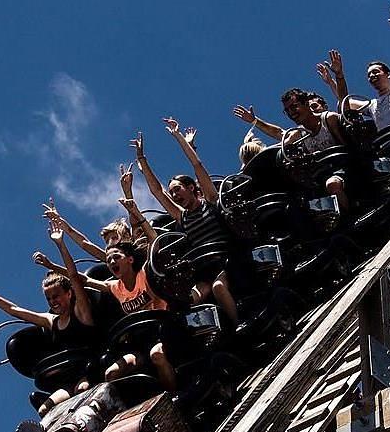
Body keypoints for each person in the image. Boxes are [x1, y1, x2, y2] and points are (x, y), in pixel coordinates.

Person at [0, 222, 95, 417]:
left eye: (56, 296)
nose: (53, 301)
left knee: (82, 390)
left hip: (89, 370)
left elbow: (73, 276)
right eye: (49, 298)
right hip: (67, 378)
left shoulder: (81, 311)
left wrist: (60, 245)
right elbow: (15, 310)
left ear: (69, 294)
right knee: (45, 409)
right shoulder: (51, 321)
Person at [131, 120, 241, 325]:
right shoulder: (182, 216)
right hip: (204, 269)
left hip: (228, 260)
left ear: (191, 188)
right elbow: (157, 191)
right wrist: (142, 159)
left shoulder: (210, 201)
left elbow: (197, 166)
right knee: (188, 300)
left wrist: (178, 136)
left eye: (177, 190)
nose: (174, 195)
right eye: (172, 192)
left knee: (218, 287)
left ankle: (238, 325)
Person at [60, 201, 178, 391]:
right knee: (111, 372)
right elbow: (81, 270)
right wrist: (60, 241)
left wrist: (132, 206)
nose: (110, 246)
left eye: (114, 239)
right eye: (107, 245)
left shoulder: (143, 266)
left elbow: (151, 240)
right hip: (138, 337)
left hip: (161, 328)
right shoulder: (115, 283)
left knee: (157, 354)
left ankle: (173, 392)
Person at [329, 6, 390, 188]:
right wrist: (338, 76)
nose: (372, 76)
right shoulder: (372, 105)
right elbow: (345, 103)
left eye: (376, 72)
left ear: (388, 74)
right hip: (384, 150)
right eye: (369, 75)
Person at [233, 89, 349, 209]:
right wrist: (251, 162)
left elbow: (349, 147)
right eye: (287, 110)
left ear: (306, 104)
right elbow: (278, 144)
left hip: (342, 169)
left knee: (332, 184)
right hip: (319, 177)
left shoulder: (329, 119)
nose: (291, 113)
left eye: (293, 107)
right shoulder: (297, 134)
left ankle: (349, 213)